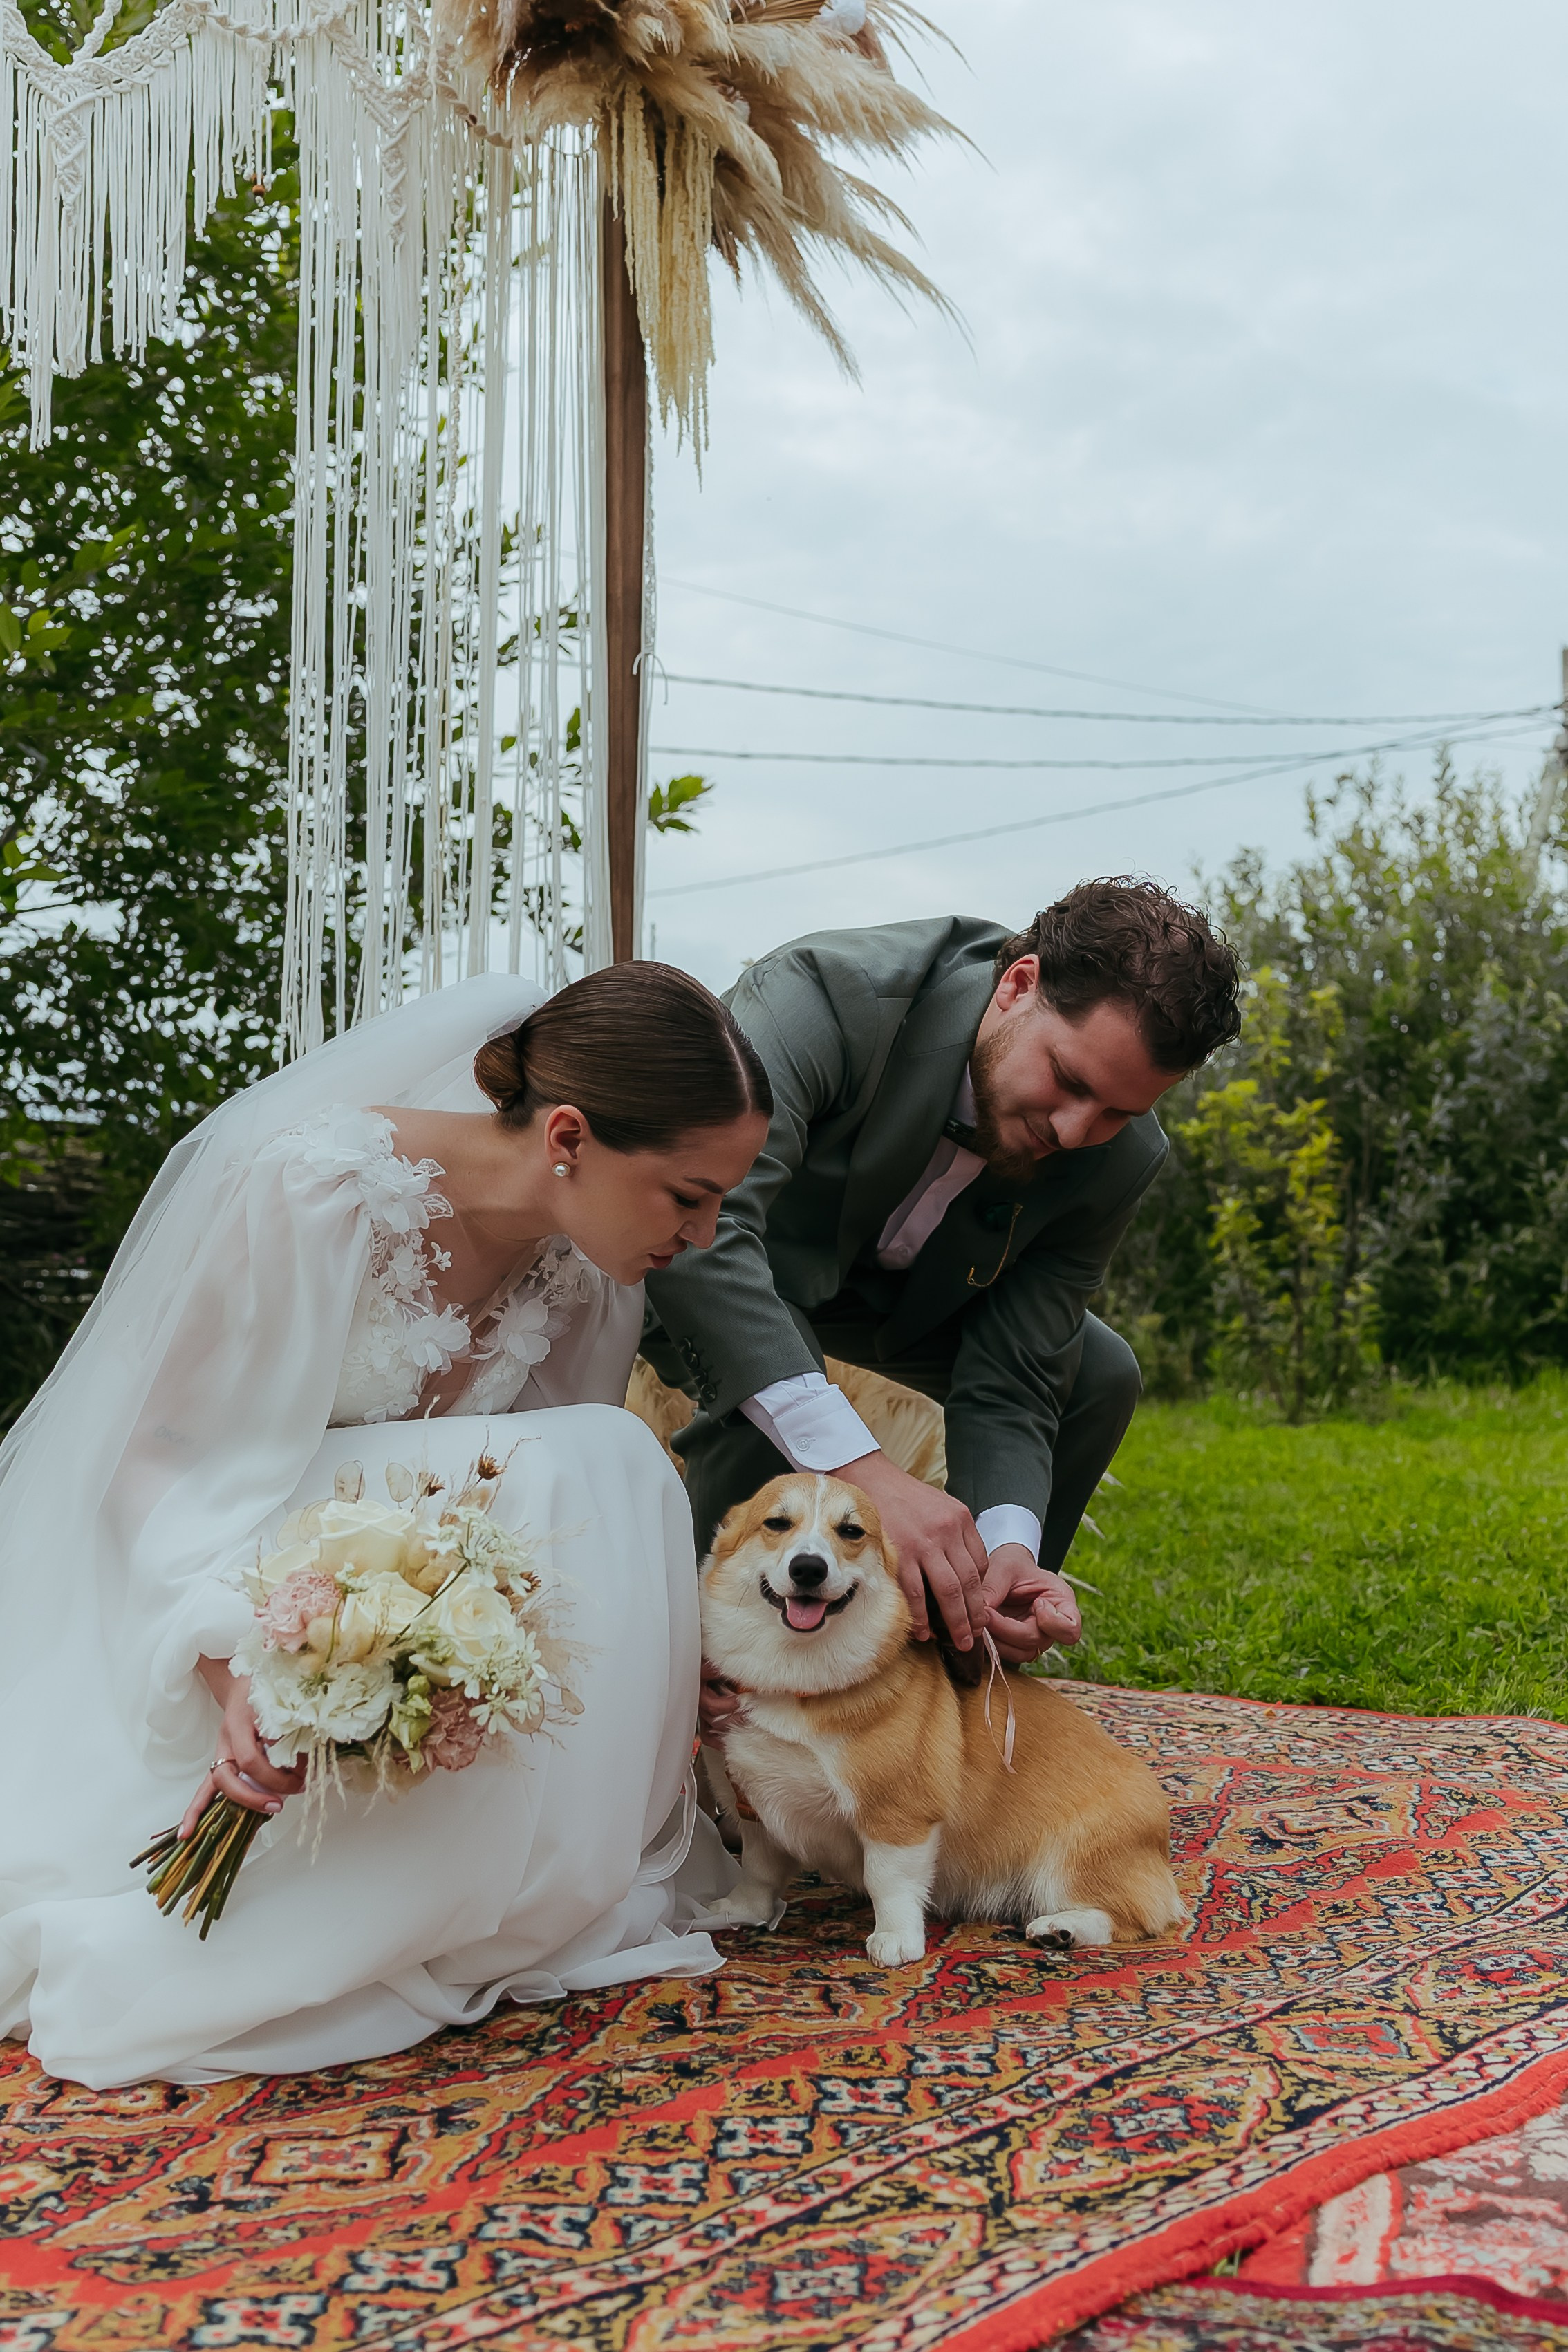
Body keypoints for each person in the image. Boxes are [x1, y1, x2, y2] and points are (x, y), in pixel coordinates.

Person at [0, 964, 772, 2088]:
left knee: (608, 1455)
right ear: (567, 1135)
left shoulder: (594, 1272)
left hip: (411, 1594)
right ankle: (330, 1898)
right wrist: (233, 1664)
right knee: (604, 1454)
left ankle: (492, 1883)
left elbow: (552, 1529)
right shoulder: (323, 1190)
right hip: (223, 1557)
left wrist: (657, 1649)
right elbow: (155, 1457)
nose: (701, 1235)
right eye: (686, 1195)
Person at [642, 881, 1241, 1704]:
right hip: (720, 1264)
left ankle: (965, 1638)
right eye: (1067, 1080)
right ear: (1019, 984)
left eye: (1116, 1111)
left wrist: (1008, 1549)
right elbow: (703, 1225)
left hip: (899, 1299)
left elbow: (1022, 1366)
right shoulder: (823, 998)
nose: (1076, 1131)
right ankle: (711, 1675)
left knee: (1097, 1372)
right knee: (781, 1379)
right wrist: (871, 1476)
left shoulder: (1121, 1156)